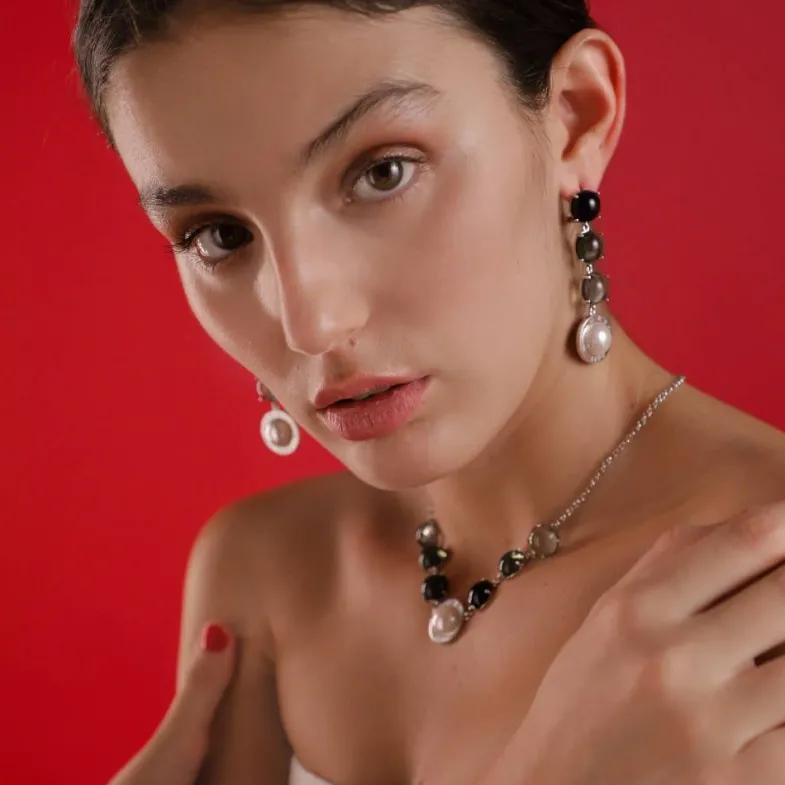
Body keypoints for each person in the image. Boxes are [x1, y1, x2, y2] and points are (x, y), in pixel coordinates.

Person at [72, 1, 785, 783]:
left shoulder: (759, 598)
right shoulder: (267, 572)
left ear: (575, 116)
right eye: (219, 234)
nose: (310, 322)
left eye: (383, 173)